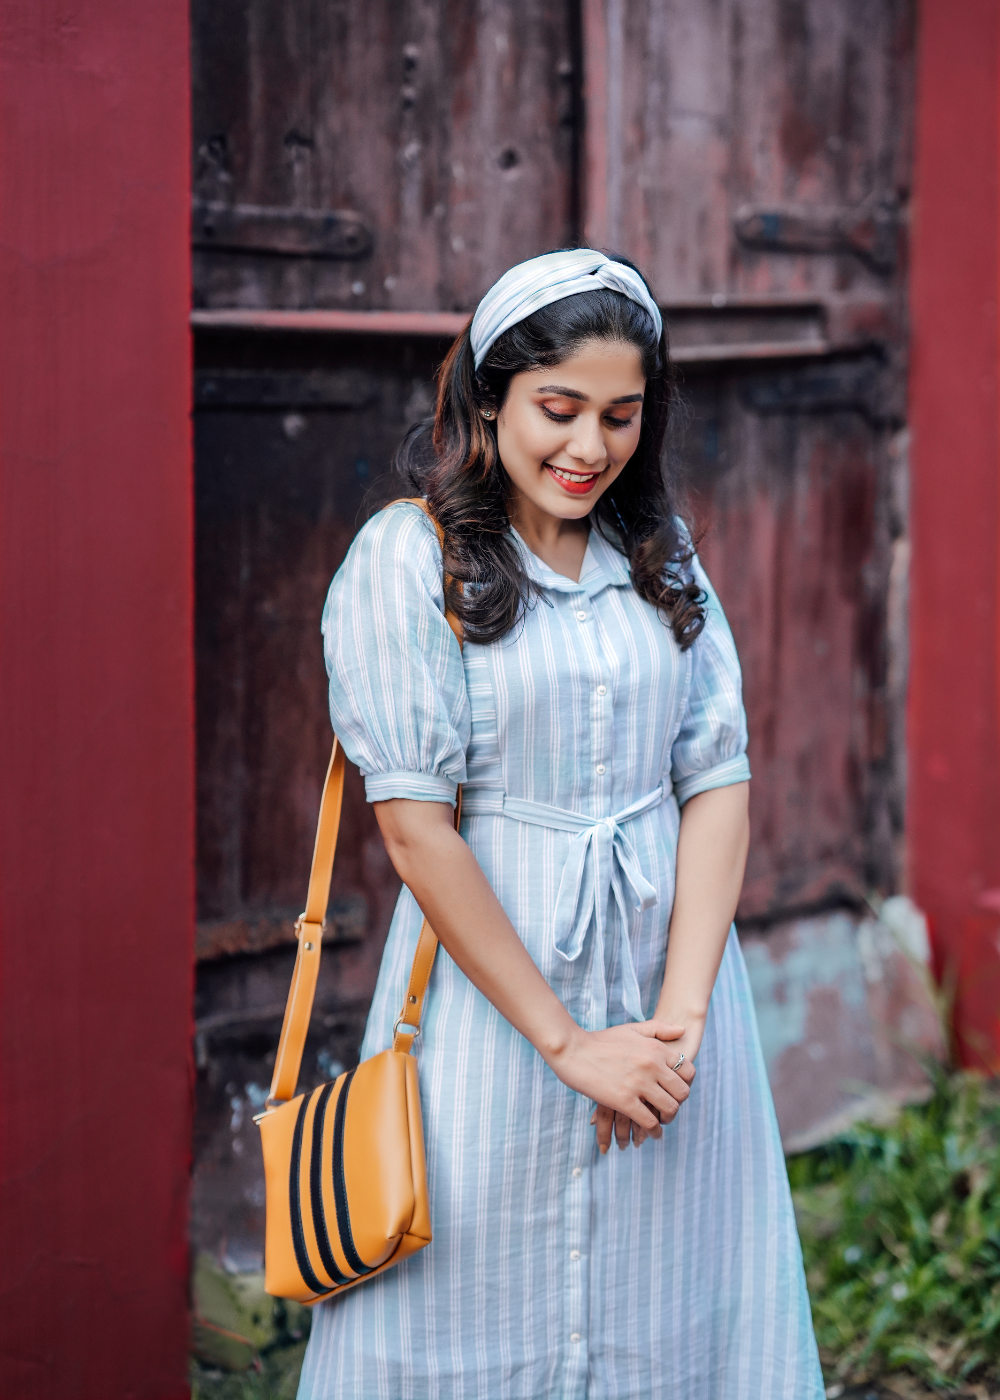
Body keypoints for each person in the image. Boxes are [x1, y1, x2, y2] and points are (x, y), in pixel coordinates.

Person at [297, 249, 824, 1399]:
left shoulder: (658, 555)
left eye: (621, 415)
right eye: (559, 409)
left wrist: (676, 1027)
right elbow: (415, 827)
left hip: (671, 988)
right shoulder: (412, 558)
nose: (589, 447)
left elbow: (716, 773)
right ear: (488, 399)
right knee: (471, 1291)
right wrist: (570, 1042)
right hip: (494, 1003)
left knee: (673, 1283)